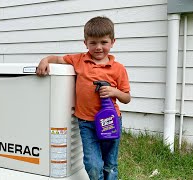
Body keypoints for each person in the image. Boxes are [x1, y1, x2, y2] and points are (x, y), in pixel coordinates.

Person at [36, 16, 131, 180]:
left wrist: (114, 92)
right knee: (92, 164)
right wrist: (45, 60)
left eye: (104, 42)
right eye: (93, 43)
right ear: (85, 42)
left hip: (111, 121)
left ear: (113, 42)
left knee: (110, 163)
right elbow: (58, 59)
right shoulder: (79, 60)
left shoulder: (118, 69)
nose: (98, 47)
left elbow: (127, 97)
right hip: (86, 123)